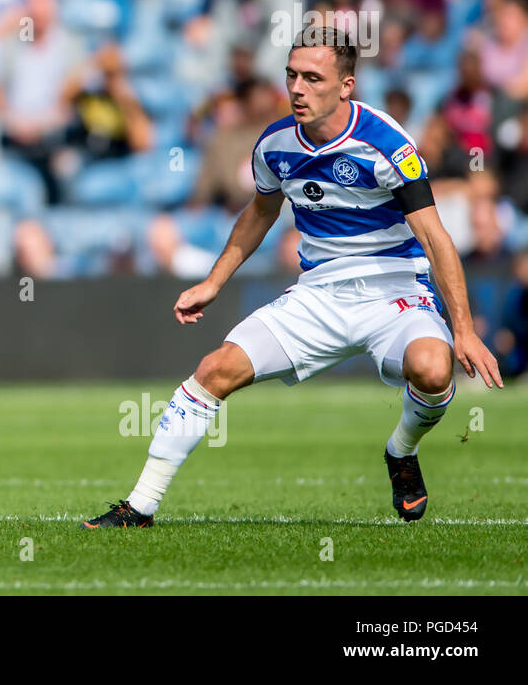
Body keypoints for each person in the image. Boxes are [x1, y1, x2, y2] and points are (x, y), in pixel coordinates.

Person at [85, 26, 503, 529]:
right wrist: (213, 282)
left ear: (346, 85)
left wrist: (462, 329)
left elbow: (436, 238)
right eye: (291, 76)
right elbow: (259, 213)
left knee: (434, 371)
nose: (297, 89)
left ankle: (401, 452)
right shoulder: (275, 143)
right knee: (215, 370)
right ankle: (140, 506)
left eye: (312, 78)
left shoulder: (389, 144)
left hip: (395, 293)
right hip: (318, 295)